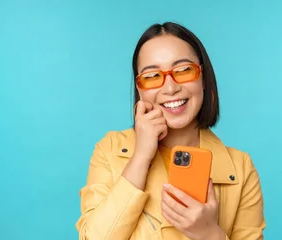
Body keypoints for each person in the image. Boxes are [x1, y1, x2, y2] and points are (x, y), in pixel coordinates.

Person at [76, 22, 266, 240]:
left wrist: (209, 234)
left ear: (203, 77)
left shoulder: (240, 168)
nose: (170, 88)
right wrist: (141, 156)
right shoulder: (110, 150)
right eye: (152, 76)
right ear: (139, 89)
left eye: (184, 70)